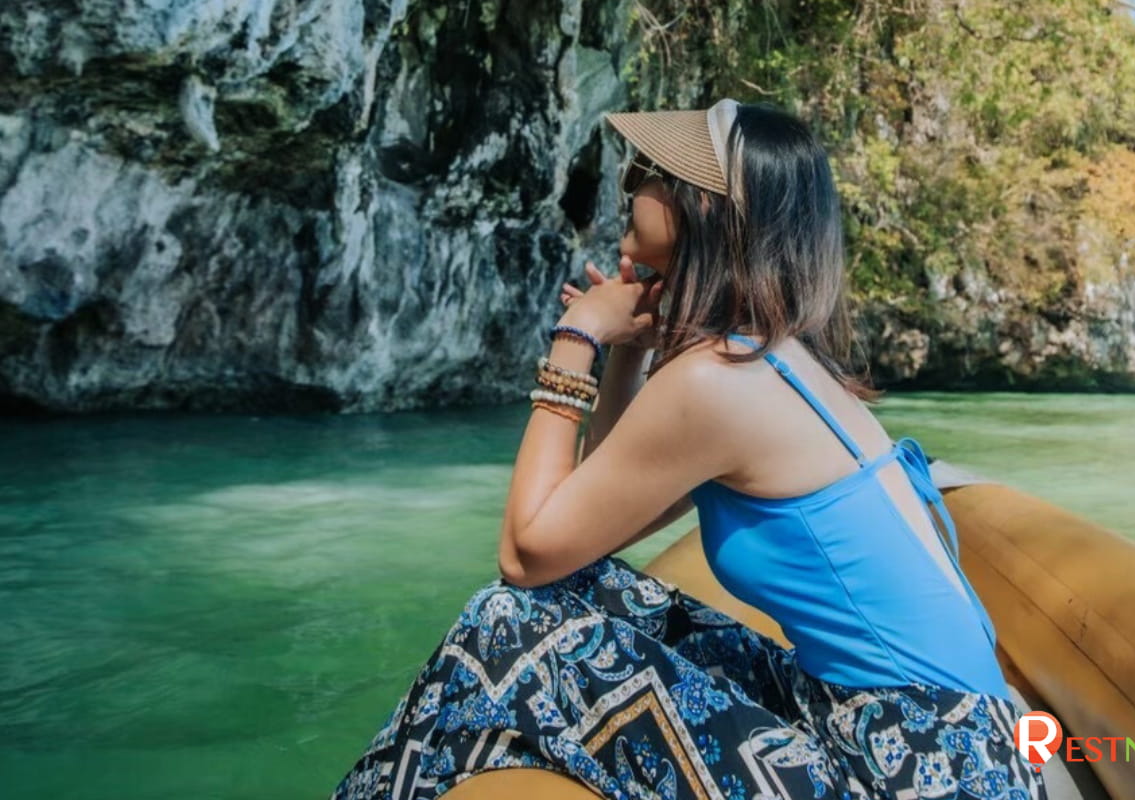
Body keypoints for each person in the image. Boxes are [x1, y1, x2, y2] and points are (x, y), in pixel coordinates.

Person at [330, 99, 1049, 800]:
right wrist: (624, 356)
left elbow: (525, 555)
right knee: (568, 597)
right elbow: (585, 531)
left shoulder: (719, 382)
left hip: (919, 768)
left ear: (697, 205)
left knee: (502, 625)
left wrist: (575, 337)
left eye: (643, 171)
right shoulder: (770, 360)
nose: (628, 188)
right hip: (933, 735)